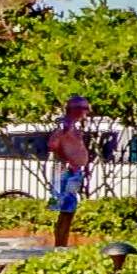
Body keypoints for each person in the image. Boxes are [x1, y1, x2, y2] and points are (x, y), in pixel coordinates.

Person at [45, 97, 94, 250]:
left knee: (69, 209)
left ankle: (61, 244)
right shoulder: (65, 125)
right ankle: (60, 245)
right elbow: (52, 144)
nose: (86, 112)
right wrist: (68, 159)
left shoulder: (72, 126)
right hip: (66, 172)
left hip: (73, 171)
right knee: (66, 209)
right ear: (76, 109)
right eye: (84, 109)